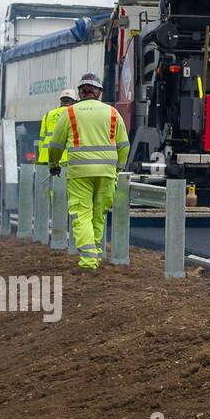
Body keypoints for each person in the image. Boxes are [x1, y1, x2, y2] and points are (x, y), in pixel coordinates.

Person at [46, 72, 129, 271]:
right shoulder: (112, 113)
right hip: (107, 173)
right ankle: (96, 255)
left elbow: (55, 145)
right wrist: (118, 169)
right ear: (99, 93)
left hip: (79, 173)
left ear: (81, 93)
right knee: (98, 214)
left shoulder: (70, 113)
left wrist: (53, 164)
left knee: (81, 214)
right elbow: (124, 145)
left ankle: (89, 260)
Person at [37, 88, 77, 165]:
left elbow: (42, 139)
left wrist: (42, 156)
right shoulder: (75, 114)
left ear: (61, 101)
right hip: (65, 159)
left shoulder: (48, 114)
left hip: (46, 158)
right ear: (74, 102)